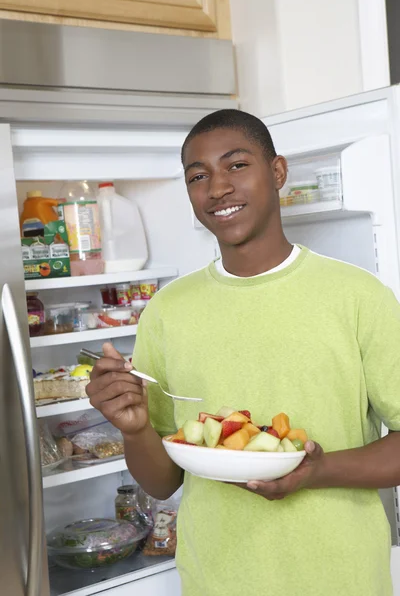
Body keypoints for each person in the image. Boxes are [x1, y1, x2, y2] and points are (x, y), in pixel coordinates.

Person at [86, 109, 400, 596]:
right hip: (216, 580)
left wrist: (316, 472)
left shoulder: (359, 296)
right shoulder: (167, 311)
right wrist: (135, 427)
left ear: (277, 172)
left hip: (342, 579)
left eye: (236, 166)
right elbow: (162, 481)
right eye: (198, 176)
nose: (217, 188)